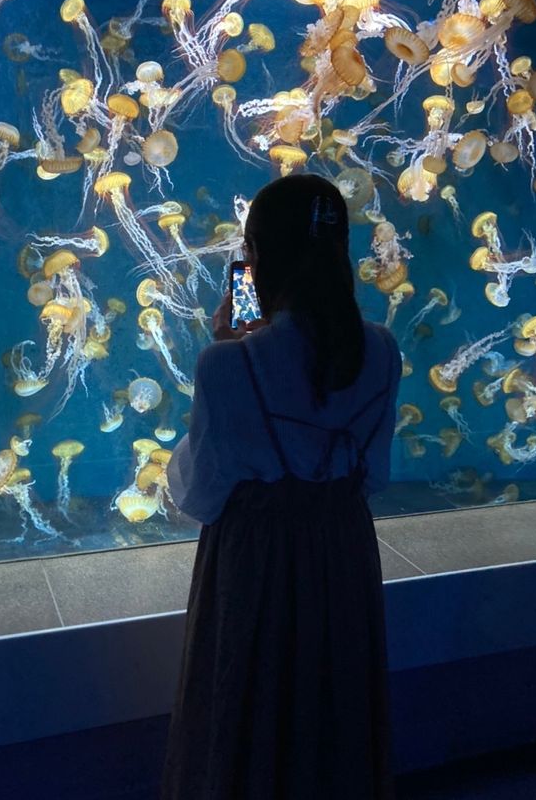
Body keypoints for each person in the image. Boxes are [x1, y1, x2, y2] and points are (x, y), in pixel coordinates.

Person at [159, 173, 402, 800]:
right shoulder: (383, 351)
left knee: (247, 700)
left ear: (258, 257)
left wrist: (230, 348)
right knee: (336, 704)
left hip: (256, 562)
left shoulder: (228, 363)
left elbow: (199, 493)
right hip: (344, 553)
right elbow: (374, 476)